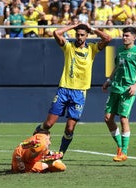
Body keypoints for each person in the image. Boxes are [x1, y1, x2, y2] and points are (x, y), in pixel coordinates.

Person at [33, 23, 112, 157]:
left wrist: (92, 28)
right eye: (78, 34)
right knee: (48, 123)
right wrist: (74, 25)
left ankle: (61, 153)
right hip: (64, 90)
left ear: (87, 36)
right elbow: (56, 33)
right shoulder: (68, 47)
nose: (79, 37)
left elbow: (108, 38)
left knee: (70, 128)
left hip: (79, 93)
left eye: (82, 35)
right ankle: (35, 139)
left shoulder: (92, 49)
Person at [102, 26, 136, 162]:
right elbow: (116, 67)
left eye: (127, 35)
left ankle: (124, 151)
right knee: (107, 118)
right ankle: (120, 146)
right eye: (123, 35)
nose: (124, 37)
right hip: (115, 88)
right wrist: (108, 80)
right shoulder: (121, 51)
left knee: (123, 118)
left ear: (134, 37)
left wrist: (135, 85)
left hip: (127, 90)